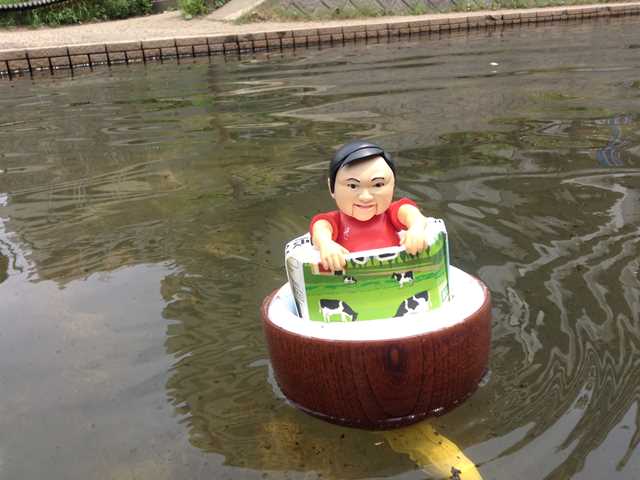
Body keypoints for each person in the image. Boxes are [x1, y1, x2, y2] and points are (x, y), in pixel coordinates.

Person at [311, 140, 431, 272]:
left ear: (393, 185)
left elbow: (412, 213)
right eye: (353, 186)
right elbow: (320, 229)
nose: (365, 197)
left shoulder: (390, 213)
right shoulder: (334, 221)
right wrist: (326, 244)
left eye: (378, 185)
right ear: (331, 187)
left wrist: (416, 228)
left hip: (393, 273)